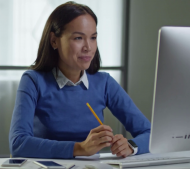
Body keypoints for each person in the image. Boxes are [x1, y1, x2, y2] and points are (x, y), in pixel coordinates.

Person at [9, 1, 150, 159]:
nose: (88, 47)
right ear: (54, 40)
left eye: (93, 37)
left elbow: (149, 133)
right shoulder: (33, 81)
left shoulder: (104, 83)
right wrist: (80, 148)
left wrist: (131, 146)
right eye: (78, 38)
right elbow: (18, 143)